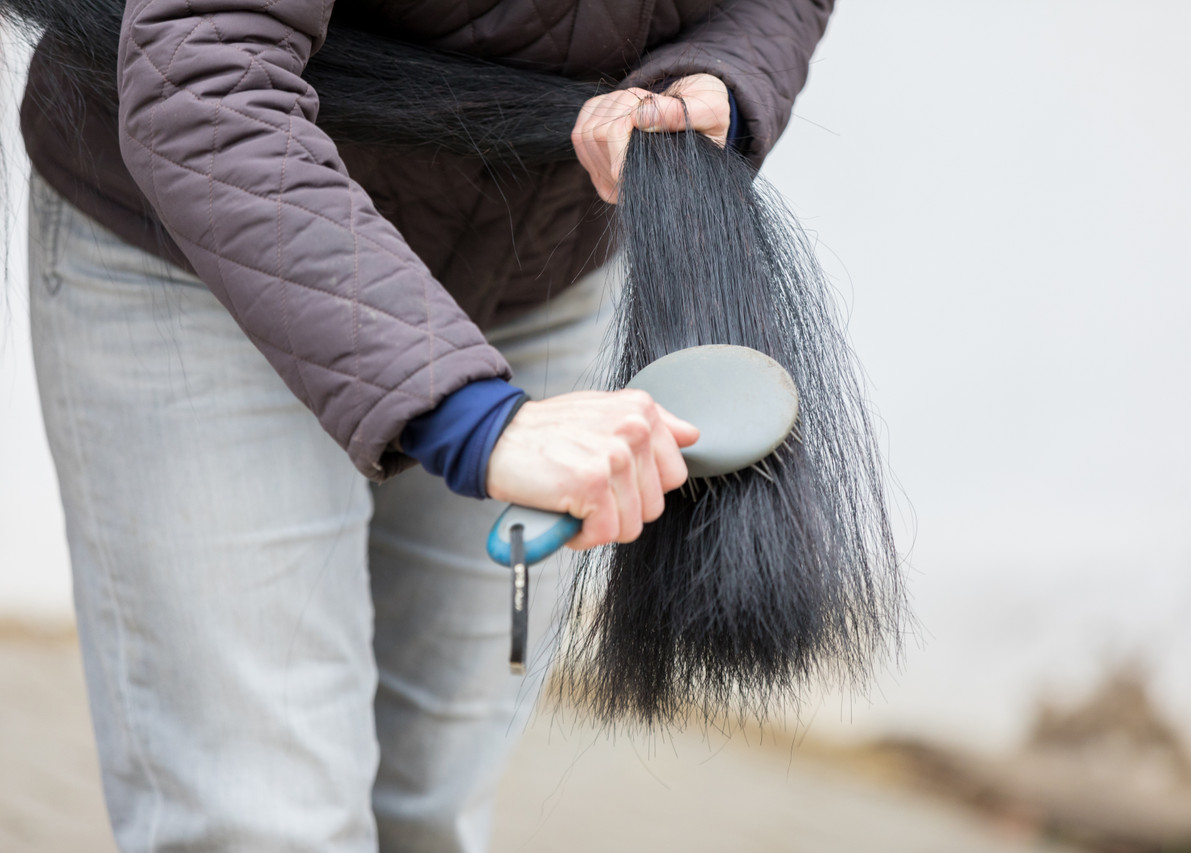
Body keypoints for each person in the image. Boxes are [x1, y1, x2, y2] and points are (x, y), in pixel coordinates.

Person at [19, 0, 834, 849]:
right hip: (205, 234)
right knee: (268, 820)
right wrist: (475, 421)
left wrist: (723, 77)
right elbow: (209, 70)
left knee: (431, 811)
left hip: (538, 261)